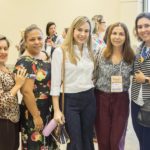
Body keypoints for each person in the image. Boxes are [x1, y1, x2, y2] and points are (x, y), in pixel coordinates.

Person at [50, 16, 96, 150]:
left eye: (86, 31)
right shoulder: (60, 51)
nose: (82, 34)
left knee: (87, 138)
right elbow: (55, 84)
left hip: (89, 98)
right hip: (70, 101)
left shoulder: (90, 51)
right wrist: (57, 110)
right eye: (79, 30)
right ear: (72, 30)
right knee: (75, 141)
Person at [14, 24, 58, 150]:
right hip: (34, 111)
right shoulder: (25, 62)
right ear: (25, 42)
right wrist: (36, 116)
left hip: (48, 109)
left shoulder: (44, 56)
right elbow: (27, 92)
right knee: (36, 145)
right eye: (32, 39)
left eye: (39, 38)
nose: (37, 42)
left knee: (47, 144)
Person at [95, 22, 135, 150]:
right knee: (103, 139)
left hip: (121, 100)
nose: (117, 37)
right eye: (114, 33)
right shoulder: (100, 53)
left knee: (116, 140)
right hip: (101, 98)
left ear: (126, 37)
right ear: (109, 35)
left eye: (121, 34)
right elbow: (93, 74)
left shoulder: (131, 56)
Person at [0, 35, 27, 150]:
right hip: (3, 122)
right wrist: (17, 85)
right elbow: (1, 102)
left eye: (5, 48)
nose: (3, 52)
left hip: (13, 121)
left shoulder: (5, 68)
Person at [131, 12, 150, 150]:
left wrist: (146, 79)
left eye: (147, 25)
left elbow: (142, 77)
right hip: (136, 102)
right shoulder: (140, 48)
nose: (143, 30)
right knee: (141, 141)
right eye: (140, 27)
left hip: (149, 103)